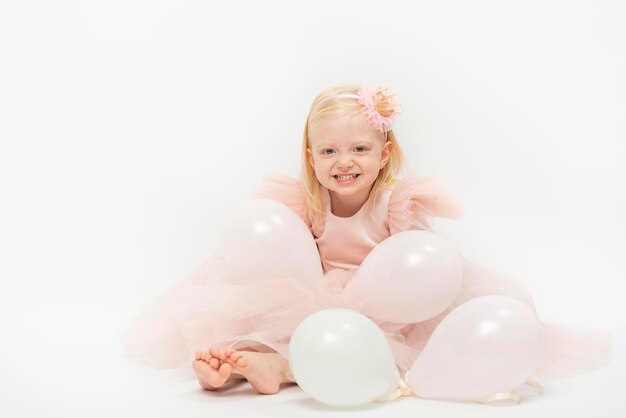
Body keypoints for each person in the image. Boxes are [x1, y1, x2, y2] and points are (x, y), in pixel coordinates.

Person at [118, 84, 612, 398]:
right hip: (312, 296)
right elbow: (284, 265)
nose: (344, 161)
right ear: (311, 158)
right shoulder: (303, 204)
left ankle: (279, 369)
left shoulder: (396, 204)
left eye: (359, 148)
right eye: (329, 150)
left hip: (386, 306)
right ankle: (238, 367)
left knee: (351, 338)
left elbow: (418, 270)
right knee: (278, 324)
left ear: (384, 153)